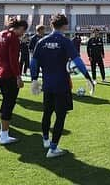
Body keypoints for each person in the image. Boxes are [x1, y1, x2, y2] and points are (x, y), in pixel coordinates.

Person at [30, 14, 94, 158]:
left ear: (52, 25)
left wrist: (34, 79)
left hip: (47, 85)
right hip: (62, 85)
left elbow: (33, 62)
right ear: (64, 26)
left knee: (47, 113)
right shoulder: (65, 42)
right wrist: (88, 77)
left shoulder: (41, 42)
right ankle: (53, 149)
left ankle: (46, 140)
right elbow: (77, 61)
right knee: (60, 116)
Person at [0, 18, 29, 145]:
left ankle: (3, 132)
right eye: (23, 30)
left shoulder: (0, 34)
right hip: (9, 74)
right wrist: (18, 77)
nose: (23, 33)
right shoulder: (13, 37)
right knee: (9, 103)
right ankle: (4, 134)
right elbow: (13, 59)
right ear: (19, 27)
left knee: (5, 102)